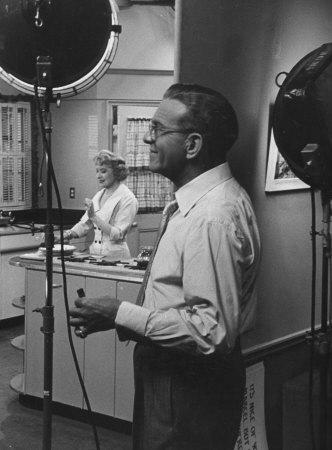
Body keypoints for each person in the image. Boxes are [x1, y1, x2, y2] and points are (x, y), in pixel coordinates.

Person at [69, 84, 261, 450]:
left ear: (192, 145)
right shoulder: (197, 205)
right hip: (174, 376)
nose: (146, 138)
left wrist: (121, 313)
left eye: (157, 130)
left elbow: (211, 331)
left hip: (188, 383)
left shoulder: (210, 217)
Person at [61, 149, 138, 260]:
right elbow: (85, 224)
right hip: (95, 255)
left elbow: (118, 235)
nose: (98, 176)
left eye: (103, 171)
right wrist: (67, 235)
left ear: (116, 172)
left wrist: (94, 217)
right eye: (97, 171)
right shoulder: (99, 195)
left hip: (116, 258)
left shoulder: (128, 198)